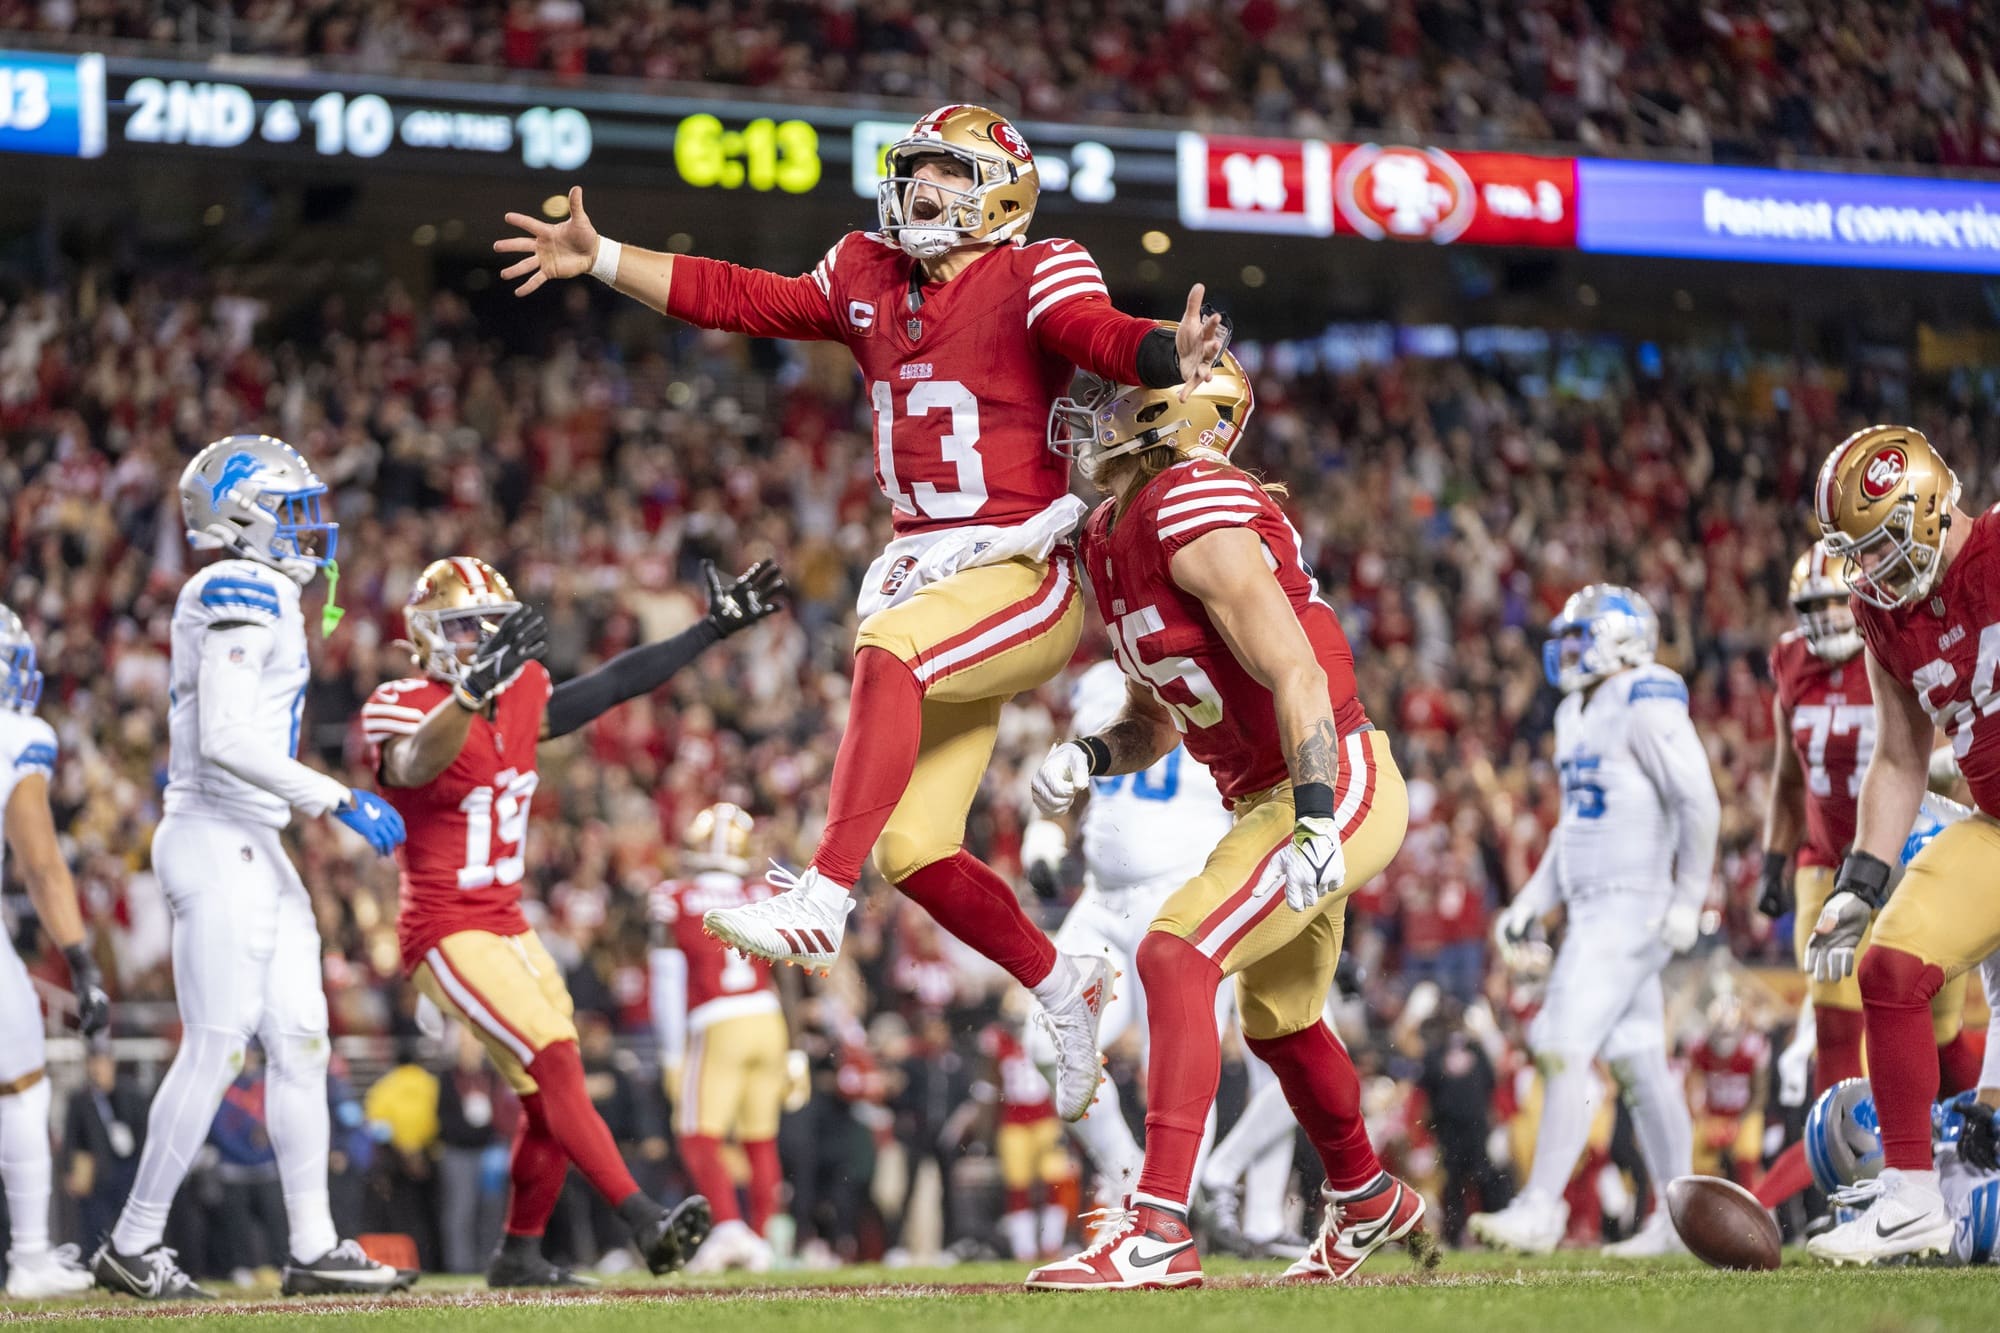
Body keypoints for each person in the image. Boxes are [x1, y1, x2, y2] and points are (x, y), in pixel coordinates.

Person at [496, 105, 1229, 1127]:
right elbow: (742, 297)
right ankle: (1067, 987)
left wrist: (1165, 352)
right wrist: (604, 255)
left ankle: (821, 899)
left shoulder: (1038, 268)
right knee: (916, 849)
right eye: (915, 171)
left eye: (950, 174)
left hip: (1024, 567)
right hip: (934, 573)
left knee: (887, 649)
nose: (924, 191)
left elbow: (1092, 337)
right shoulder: (863, 272)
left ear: (1003, 193)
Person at [1022, 343, 1428, 1290]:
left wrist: (1319, 822)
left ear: (1178, 416)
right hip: (1265, 794)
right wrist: (1089, 755)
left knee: (1175, 950)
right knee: (1280, 1022)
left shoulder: (1193, 505)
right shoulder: (1113, 532)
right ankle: (1366, 1195)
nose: (1099, 411)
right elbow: (1156, 716)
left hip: (1331, 773)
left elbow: (1297, 673)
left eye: (1123, 398)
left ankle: (1159, 1226)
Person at [363, 555, 779, 1285]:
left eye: (490, 625)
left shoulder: (520, 689)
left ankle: (520, 1251)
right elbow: (410, 760)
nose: (480, 639)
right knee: (553, 1055)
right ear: (425, 633)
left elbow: (615, 684)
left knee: (551, 1089)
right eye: (462, 626)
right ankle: (645, 1219)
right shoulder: (405, 700)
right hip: (442, 926)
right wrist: (466, 692)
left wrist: (708, 630)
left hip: (507, 923)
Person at [95, 436, 411, 1302]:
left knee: (303, 1041)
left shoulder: (267, 591)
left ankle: (313, 1245)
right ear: (242, 517)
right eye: (292, 506)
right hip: (213, 829)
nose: (311, 525)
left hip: (252, 840)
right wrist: (336, 799)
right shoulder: (240, 584)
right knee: (220, 1040)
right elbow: (227, 739)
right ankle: (133, 1241)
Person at [1801, 423, 2000, 1263]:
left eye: (1883, 544)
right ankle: (1910, 1200)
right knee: (1889, 966)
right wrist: (1858, 881)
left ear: (1927, 506)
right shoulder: (1881, 612)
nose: (1873, 570)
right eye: (1859, 552)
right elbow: (1899, 756)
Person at [1474, 584, 1720, 1258]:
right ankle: (1678, 1219)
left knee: (1560, 1038)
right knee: (1640, 1063)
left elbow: (1698, 801)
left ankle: (1540, 1206)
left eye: (1581, 637)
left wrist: (1687, 896)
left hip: (1631, 903)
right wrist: (1530, 900)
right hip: (1591, 904)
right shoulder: (1578, 710)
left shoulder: (1646, 696)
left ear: (1621, 639)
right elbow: (1575, 829)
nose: (1568, 650)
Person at [1021, 660, 1295, 1244]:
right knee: (1043, 1039)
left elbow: (1266, 793)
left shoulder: (1235, 672)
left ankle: (1161, 1223)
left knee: (1175, 1069)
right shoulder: (1101, 678)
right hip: (1101, 900)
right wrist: (1043, 836)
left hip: (1185, 897)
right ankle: (1127, 1179)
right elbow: (1069, 781)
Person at [1751, 542, 1977, 1212]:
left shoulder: (1897, 640)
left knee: (1936, 1033)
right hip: (1826, 868)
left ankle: (1969, 1149)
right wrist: (1773, 854)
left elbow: (1948, 750)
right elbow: (1786, 775)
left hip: (1914, 855)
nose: (1823, 620)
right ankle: (1841, 1191)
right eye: (1810, 608)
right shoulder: (1791, 662)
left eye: (1831, 603)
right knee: (1836, 1028)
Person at [0, 606, 110, 1299]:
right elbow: (41, 866)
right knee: (21, 1082)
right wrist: (83, 961)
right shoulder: (16, 734)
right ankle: (32, 1254)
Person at [650, 803, 793, 1274]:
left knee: (697, 1134)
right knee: (760, 1137)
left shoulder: (676, 896)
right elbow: (786, 974)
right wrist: (792, 1048)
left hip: (718, 1020)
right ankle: (761, 1237)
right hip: (768, 1017)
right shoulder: (762, 891)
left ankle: (731, 1230)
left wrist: (672, 1054)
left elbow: (667, 977)